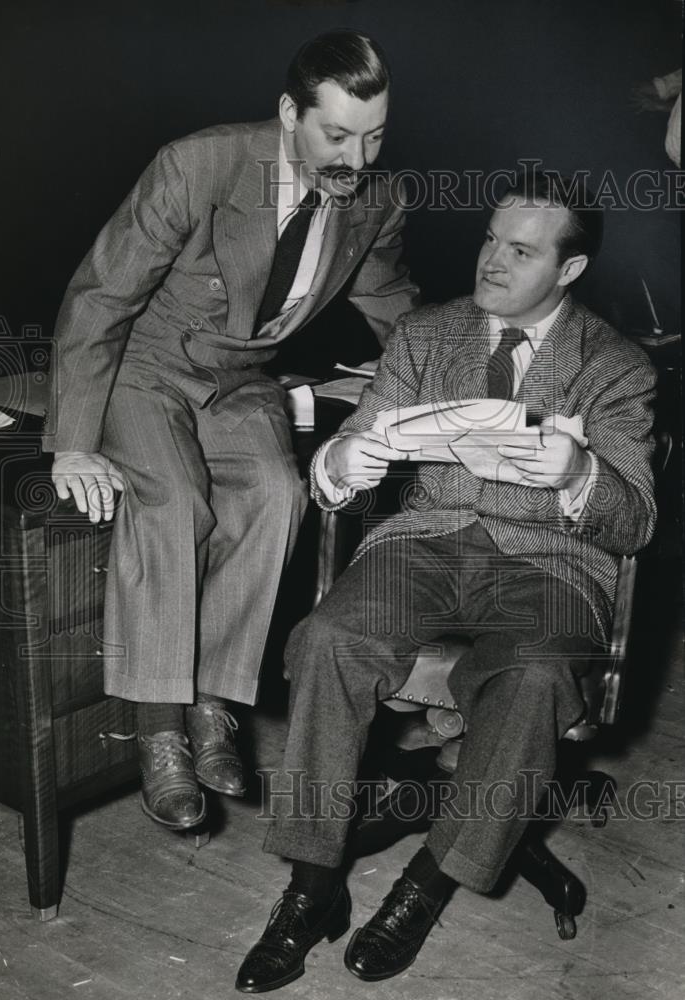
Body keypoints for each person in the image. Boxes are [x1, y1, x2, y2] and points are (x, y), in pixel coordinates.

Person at [236, 172, 657, 992]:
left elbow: (634, 519)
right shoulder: (426, 334)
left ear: (569, 269)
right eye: (490, 239)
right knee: (328, 638)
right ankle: (311, 885)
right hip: (426, 543)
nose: (492, 261)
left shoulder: (615, 365)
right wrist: (341, 463)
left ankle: (426, 885)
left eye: (521, 251)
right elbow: (349, 453)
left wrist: (579, 473)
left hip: (549, 562)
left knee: (532, 675)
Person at [44, 31, 419, 831]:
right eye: (337, 134)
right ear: (289, 113)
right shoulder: (199, 166)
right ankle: (158, 730)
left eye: (375, 137)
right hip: (146, 366)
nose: (356, 159)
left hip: (242, 379)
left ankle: (213, 702)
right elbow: (100, 297)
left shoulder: (377, 200)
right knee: (171, 499)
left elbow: (393, 306)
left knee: (278, 494)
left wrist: (469, 384)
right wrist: (73, 442)